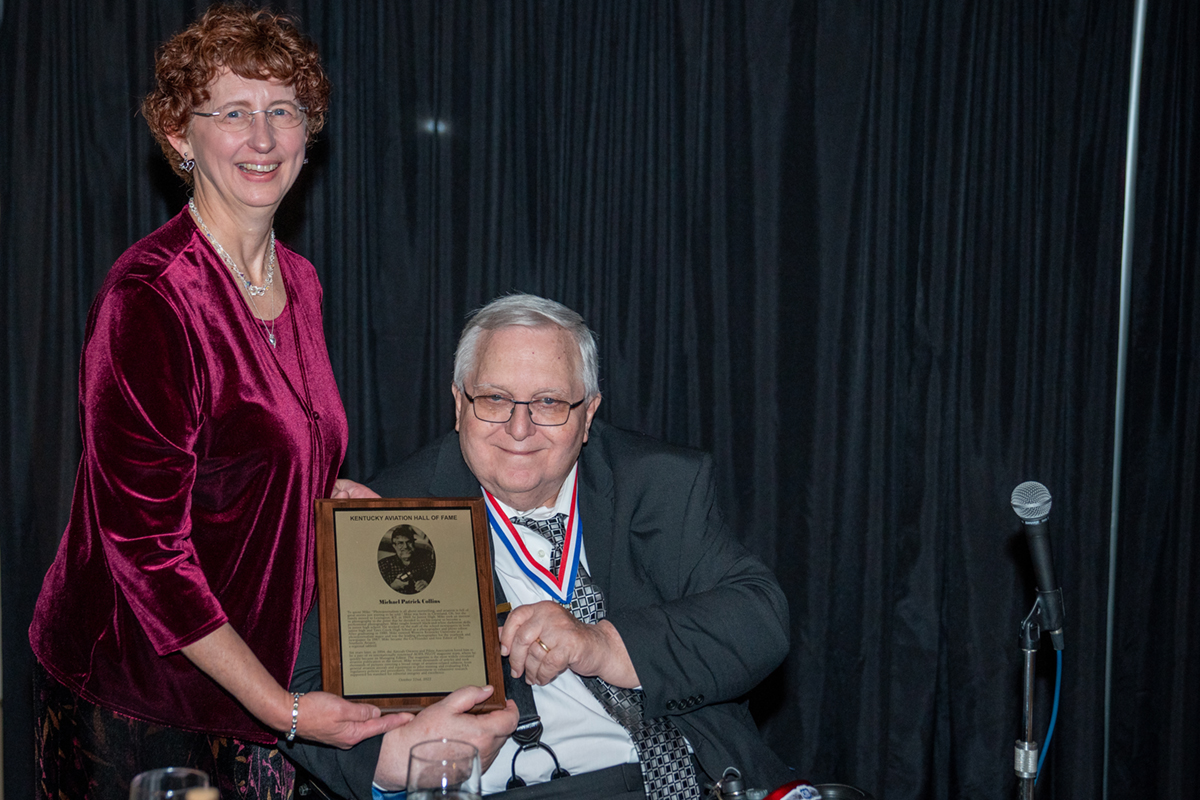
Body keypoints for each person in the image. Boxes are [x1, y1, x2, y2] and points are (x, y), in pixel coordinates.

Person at [27, 6, 403, 798]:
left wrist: (319, 491)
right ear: (178, 136)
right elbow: (145, 546)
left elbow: (244, 452)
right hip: (140, 696)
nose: (262, 139)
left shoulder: (298, 281)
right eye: (232, 113)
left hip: (264, 679)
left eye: (283, 112)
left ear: (310, 132)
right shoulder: (151, 299)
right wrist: (287, 712)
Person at [284, 294, 792, 799]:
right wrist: (388, 762)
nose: (519, 428)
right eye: (495, 399)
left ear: (588, 414)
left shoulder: (660, 483)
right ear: (459, 405)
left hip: (689, 780)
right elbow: (296, 683)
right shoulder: (392, 510)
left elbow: (758, 617)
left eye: (548, 402)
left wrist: (605, 645)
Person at [378, 524, 436, 594]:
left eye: (409, 542)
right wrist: (392, 587)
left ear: (414, 543)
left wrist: (429, 585)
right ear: (394, 546)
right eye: (400, 543)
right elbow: (375, 594)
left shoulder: (428, 563)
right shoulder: (383, 566)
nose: (405, 546)